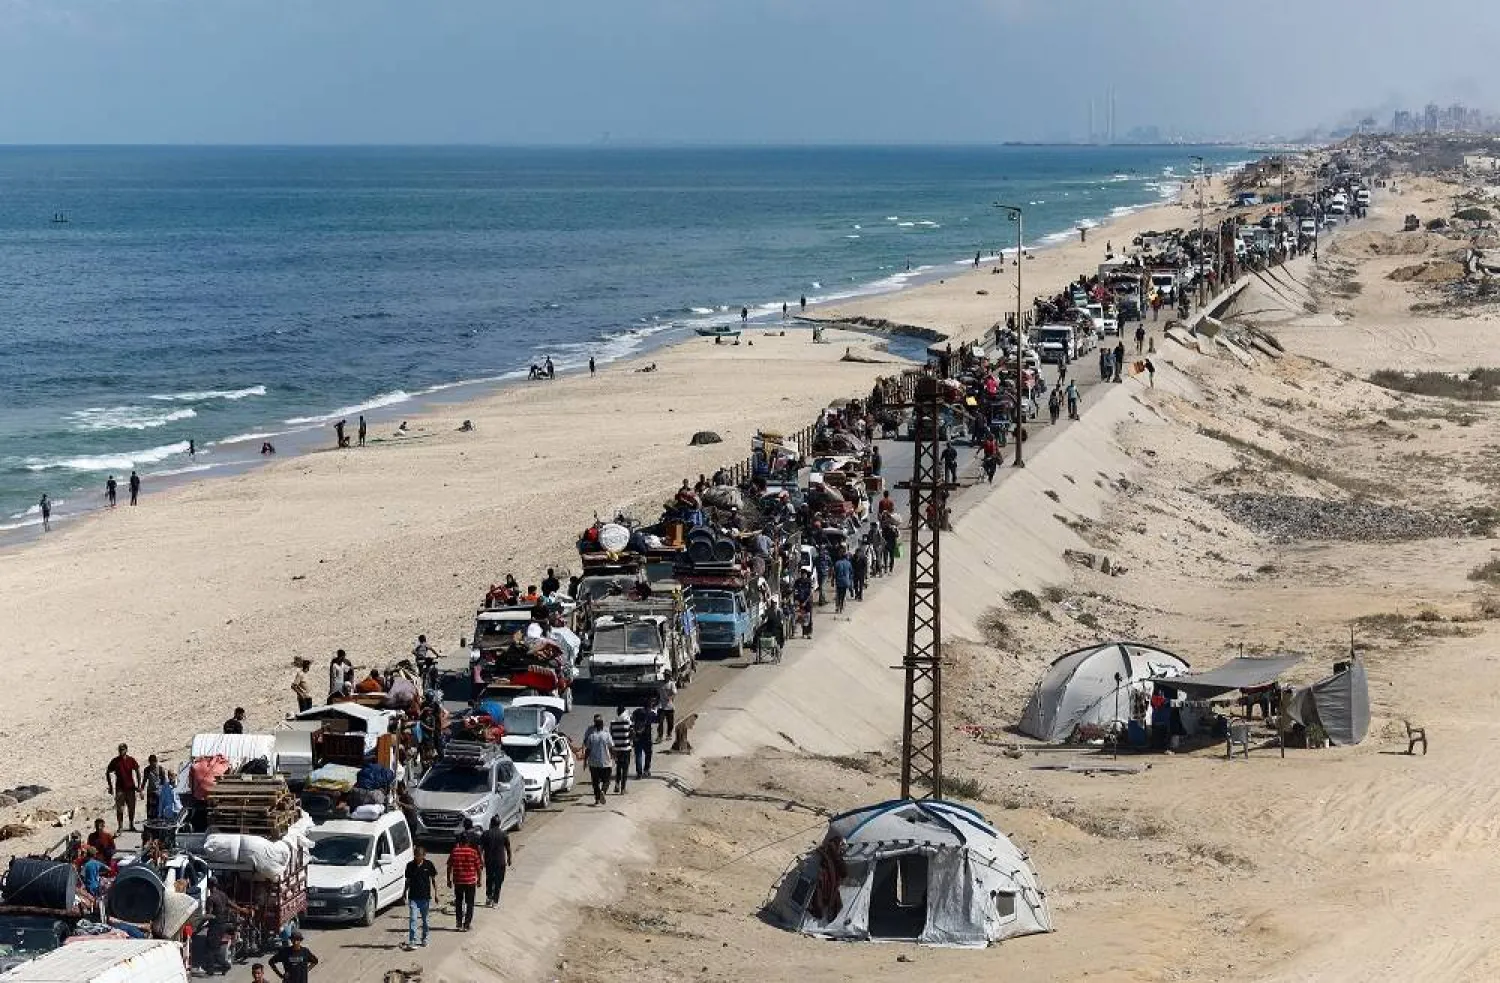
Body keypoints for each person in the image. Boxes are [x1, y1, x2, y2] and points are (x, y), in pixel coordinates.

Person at [402, 845, 440, 949]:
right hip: (413, 897)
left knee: (425, 920)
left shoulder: (429, 864)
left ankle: (425, 939)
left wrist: (436, 894)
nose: (417, 858)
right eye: (416, 856)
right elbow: (408, 881)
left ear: (424, 856)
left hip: (425, 898)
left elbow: (433, 880)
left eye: (419, 856)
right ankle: (413, 941)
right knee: (413, 919)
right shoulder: (410, 865)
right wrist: (404, 893)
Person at [446, 833, 482, 931]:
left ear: (460, 841)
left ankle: (458, 923)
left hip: (458, 882)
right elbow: (478, 868)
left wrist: (448, 880)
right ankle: (466, 925)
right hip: (470, 882)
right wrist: (479, 879)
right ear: (468, 841)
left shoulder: (454, 851)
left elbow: (449, 866)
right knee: (470, 903)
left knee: (458, 902)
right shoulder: (473, 852)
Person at [106, 743, 141, 831]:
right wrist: (110, 786)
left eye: (122, 749)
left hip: (130, 788)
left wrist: (139, 785)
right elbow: (108, 772)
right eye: (120, 750)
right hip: (120, 788)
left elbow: (137, 771)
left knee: (131, 808)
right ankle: (120, 826)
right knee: (120, 809)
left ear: (126, 750)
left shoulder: (131, 760)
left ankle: (131, 825)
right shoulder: (115, 761)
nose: (121, 751)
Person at [480, 817, 512, 907]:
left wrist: (481, 860)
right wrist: (509, 858)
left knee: (489, 879)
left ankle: (489, 897)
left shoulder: (485, 834)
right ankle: (495, 901)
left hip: (489, 861)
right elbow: (508, 848)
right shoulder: (504, 834)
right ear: (499, 824)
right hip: (500, 862)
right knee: (499, 881)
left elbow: (480, 849)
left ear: (491, 823)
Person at [584, 715, 613, 805]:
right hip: (605, 762)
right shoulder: (607, 734)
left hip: (593, 763)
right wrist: (614, 757)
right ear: (602, 725)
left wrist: (585, 761)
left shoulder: (591, 736)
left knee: (595, 782)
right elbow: (611, 747)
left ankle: (597, 799)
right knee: (607, 781)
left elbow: (587, 750)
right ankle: (603, 792)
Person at [609, 707, 633, 793]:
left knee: (618, 768)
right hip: (626, 749)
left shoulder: (612, 722)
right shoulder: (628, 722)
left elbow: (611, 735)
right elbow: (632, 734)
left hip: (616, 749)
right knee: (625, 769)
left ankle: (617, 785)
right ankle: (623, 788)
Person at [631, 702, 657, 779]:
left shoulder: (636, 711)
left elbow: (631, 719)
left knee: (638, 755)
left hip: (637, 737)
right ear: (649, 707)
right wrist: (655, 711)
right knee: (648, 754)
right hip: (647, 738)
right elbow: (657, 720)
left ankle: (639, 773)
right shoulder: (650, 713)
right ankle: (646, 770)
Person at [141, 754, 170, 821]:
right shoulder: (147, 770)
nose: (152, 764)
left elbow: (164, 781)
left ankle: (158, 821)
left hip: (159, 792)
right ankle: (150, 821)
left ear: (156, 761)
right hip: (150, 792)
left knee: (158, 807)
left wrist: (164, 791)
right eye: (151, 762)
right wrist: (141, 790)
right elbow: (144, 780)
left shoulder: (160, 769)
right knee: (150, 808)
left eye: (154, 762)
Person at [657, 675, 677, 743]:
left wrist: (670, 698)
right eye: (665, 675)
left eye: (667, 676)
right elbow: (658, 693)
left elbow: (674, 693)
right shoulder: (660, 683)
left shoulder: (671, 684)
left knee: (670, 722)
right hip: (661, 706)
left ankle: (669, 734)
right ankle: (660, 736)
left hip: (670, 706)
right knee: (660, 722)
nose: (666, 677)